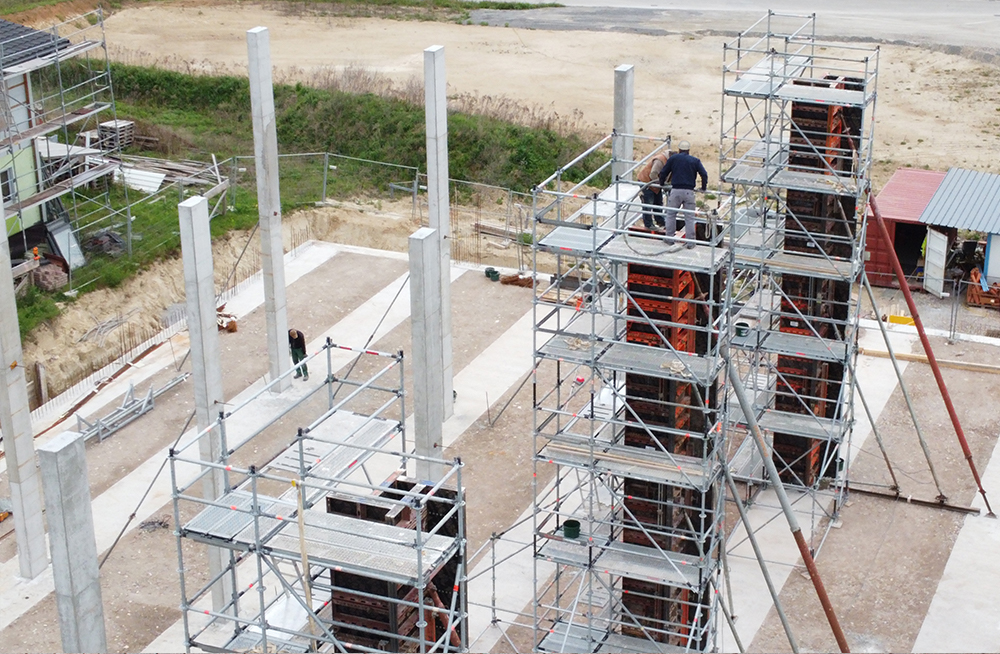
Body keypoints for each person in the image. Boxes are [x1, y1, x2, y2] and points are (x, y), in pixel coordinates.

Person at [658, 140, 709, 248]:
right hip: (689, 192)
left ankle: (669, 239)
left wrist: (662, 183)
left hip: (675, 190)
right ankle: (690, 242)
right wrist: (703, 187)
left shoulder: (673, 159)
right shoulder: (695, 161)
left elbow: (663, 172)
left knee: (671, 215)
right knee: (689, 217)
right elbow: (704, 174)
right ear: (688, 151)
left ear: (679, 149)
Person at [637, 152, 668, 230]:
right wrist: (662, 184)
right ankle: (648, 225)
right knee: (648, 204)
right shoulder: (660, 161)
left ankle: (660, 221)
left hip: (656, 185)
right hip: (646, 182)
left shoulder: (668, 162)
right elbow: (653, 174)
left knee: (658, 202)